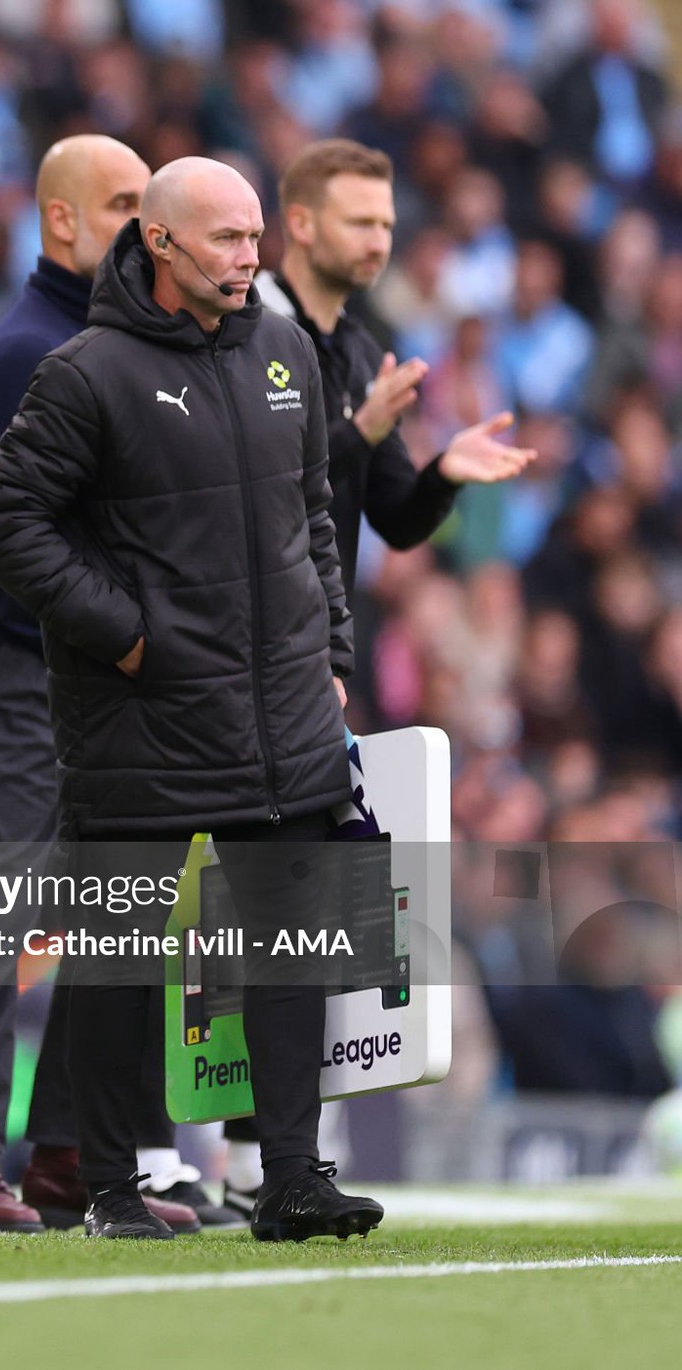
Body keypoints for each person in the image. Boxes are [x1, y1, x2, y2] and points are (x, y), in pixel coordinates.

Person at [0, 157, 386, 1243]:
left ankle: (288, 1175)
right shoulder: (81, 371)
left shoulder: (285, 351)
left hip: (286, 714)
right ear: (158, 243)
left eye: (254, 237)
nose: (248, 258)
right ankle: (108, 1182)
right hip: (143, 724)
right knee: (121, 962)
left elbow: (311, 521)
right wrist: (124, 634)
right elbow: (5, 520)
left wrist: (330, 647)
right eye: (225, 240)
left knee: (292, 953)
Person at [224, 137, 534, 1216]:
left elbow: (389, 519)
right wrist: (353, 437)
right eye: (360, 220)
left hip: (313, 655)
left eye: (388, 222)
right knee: (194, 900)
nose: (380, 239)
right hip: (228, 656)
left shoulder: (360, 345)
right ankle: (124, 1153)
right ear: (298, 222)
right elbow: (251, 491)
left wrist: (439, 469)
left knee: (297, 901)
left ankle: (258, 1155)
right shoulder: (242, 332)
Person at [0, 134, 216, 1235]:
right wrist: (130, 633)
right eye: (120, 208)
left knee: (114, 918)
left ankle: (62, 1152)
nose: (144, 230)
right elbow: (12, 538)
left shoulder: (99, 340)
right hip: (16, 667)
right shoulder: (29, 352)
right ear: (59, 222)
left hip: (88, 676)